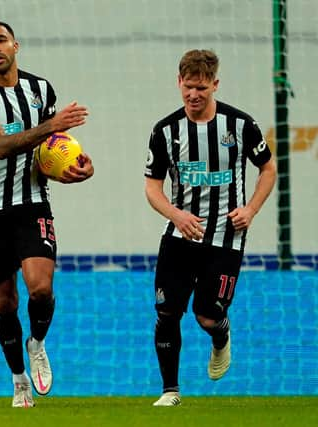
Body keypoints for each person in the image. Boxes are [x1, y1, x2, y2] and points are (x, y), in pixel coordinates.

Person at [0, 21, 94, 408]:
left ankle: (37, 343)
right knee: (4, 303)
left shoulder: (41, 90)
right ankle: (19, 380)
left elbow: (54, 148)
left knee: (41, 288)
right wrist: (52, 125)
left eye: (1, 39)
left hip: (32, 201)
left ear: (16, 45)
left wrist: (78, 167)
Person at [144, 49, 276, 406]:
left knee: (207, 315)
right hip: (179, 235)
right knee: (167, 311)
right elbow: (152, 187)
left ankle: (221, 337)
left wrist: (251, 209)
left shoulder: (240, 126)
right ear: (178, 83)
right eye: (187, 87)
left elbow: (268, 169)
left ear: (215, 84)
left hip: (226, 236)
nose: (193, 95)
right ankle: (170, 391)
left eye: (201, 88)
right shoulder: (165, 131)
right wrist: (176, 215)